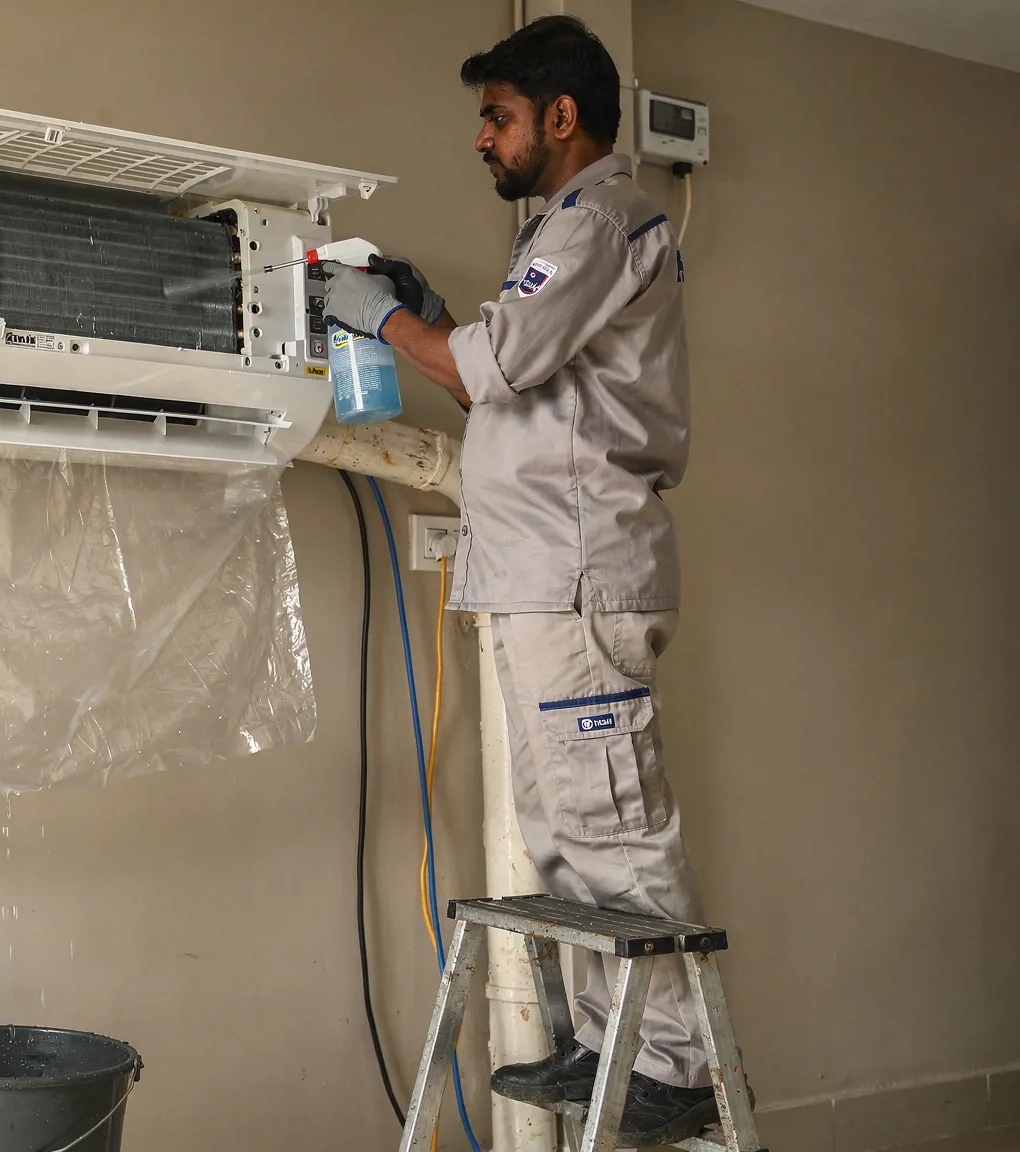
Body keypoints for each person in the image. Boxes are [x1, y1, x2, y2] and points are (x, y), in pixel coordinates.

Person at [318, 15, 718, 1148]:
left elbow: (490, 366)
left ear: (557, 117)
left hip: (579, 577)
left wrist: (388, 319)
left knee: (612, 825)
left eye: (494, 117)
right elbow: (504, 380)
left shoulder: (600, 214)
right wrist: (426, 318)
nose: (481, 140)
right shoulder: (558, 229)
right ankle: (612, 1040)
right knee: (560, 828)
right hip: (540, 573)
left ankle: (677, 1063)